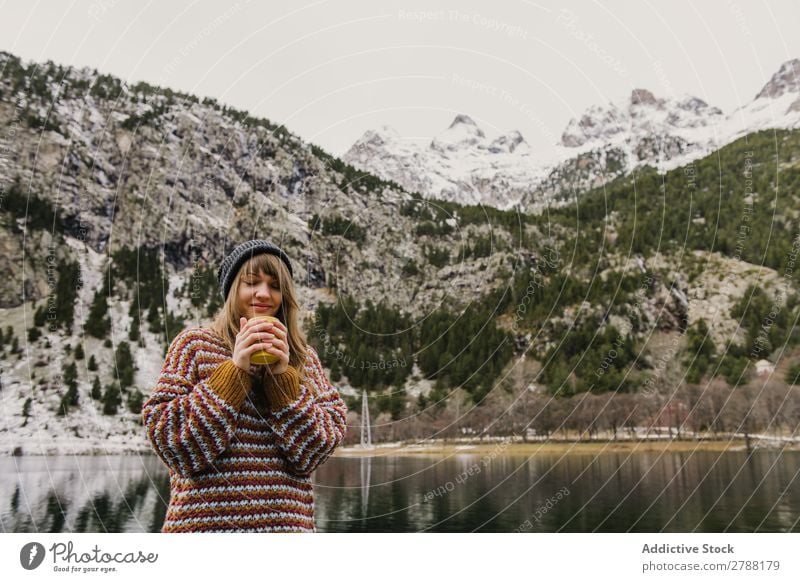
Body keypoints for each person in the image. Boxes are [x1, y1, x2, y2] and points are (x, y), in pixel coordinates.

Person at [142, 239, 348, 532]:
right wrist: (234, 373)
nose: (264, 294)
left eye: (275, 286)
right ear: (232, 290)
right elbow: (171, 444)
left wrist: (283, 379)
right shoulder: (194, 346)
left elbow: (315, 452)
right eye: (252, 282)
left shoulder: (304, 359)